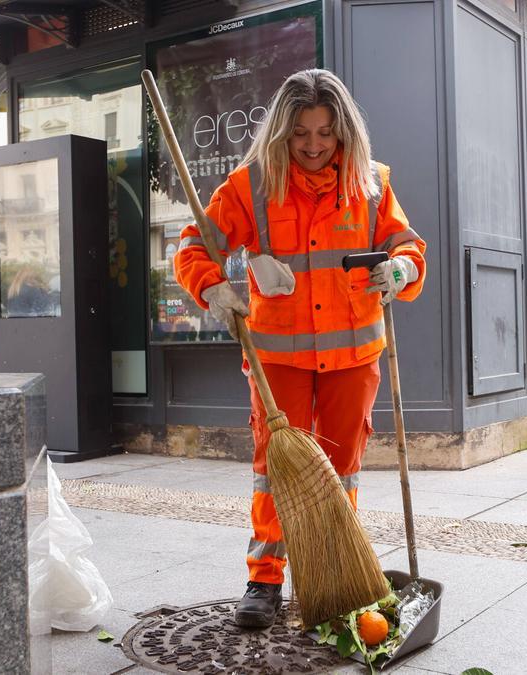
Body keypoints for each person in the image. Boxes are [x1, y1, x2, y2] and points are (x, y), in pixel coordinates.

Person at [173, 69, 427, 628]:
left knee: (341, 471)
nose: (313, 146)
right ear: (281, 132)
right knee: (277, 470)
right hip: (278, 360)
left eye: (326, 133)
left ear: (345, 135)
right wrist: (215, 285)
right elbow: (194, 245)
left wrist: (401, 269)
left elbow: (407, 245)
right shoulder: (249, 186)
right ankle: (265, 580)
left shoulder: (372, 184)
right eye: (301, 134)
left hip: (353, 358)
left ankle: (337, 577)